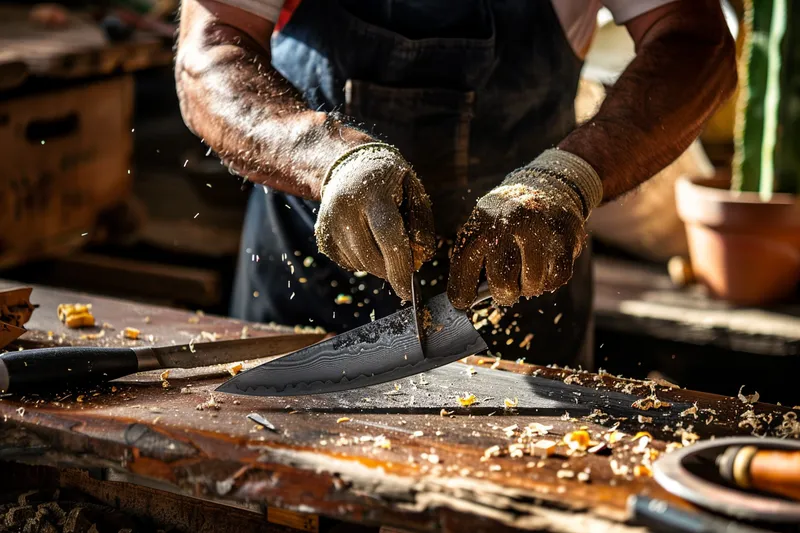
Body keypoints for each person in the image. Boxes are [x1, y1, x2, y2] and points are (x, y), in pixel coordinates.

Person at [175, 0, 736, 366]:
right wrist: (327, 160)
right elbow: (212, 52)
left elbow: (694, 42)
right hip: (307, 295)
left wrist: (571, 177)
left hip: (523, 281)